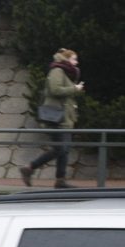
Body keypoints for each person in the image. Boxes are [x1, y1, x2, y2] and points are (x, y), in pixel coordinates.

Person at [20, 48, 85, 189]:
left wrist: (75, 89)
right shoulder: (57, 71)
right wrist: (74, 89)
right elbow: (55, 90)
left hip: (66, 117)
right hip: (57, 118)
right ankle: (30, 167)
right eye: (74, 59)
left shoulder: (66, 73)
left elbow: (65, 94)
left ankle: (60, 180)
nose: (76, 62)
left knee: (64, 149)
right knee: (60, 149)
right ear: (66, 59)